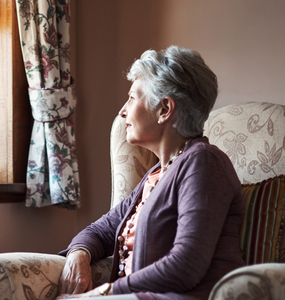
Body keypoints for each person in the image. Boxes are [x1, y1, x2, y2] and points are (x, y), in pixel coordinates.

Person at [56, 46, 245, 300]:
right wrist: (79, 253)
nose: (123, 111)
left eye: (132, 98)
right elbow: (100, 231)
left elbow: (186, 266)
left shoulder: (203, 162)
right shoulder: (157, 174)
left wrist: (107, 292)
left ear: (165, 109)